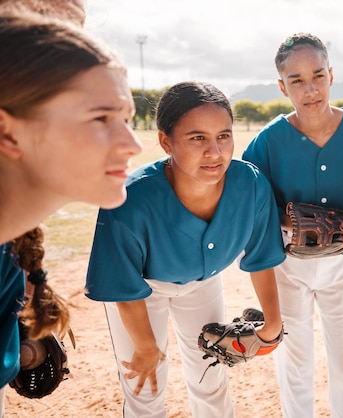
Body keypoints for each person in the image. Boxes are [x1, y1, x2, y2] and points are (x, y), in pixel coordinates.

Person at [85, 81, 285, 418]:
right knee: (145, 385)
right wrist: (147, 346)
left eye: (224, 135)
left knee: (210, 376)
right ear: (166, 141)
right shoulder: (129, 200)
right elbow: (122, 283)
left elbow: (262, 256)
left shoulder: (249, 183)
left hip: (203, 284)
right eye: (197, 138)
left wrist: (273, 325)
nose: (215, 152)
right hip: (142, 292)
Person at [0, 10, 141, 416]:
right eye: (102, 118)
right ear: (8, 132)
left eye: (128, 118)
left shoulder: (11, 253)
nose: (132, 143)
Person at [242, 33, 343, 418]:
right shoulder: (267, 142)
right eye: (296, 80)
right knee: (294, 363)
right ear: (281, 86)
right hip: (290, 267)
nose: (310, 89)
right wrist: (288, 219)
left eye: (318, 75)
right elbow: (254, 210)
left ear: (332, 75)